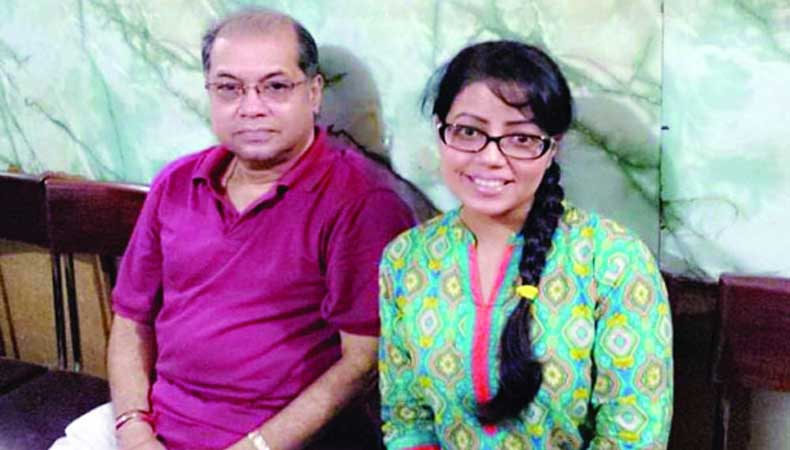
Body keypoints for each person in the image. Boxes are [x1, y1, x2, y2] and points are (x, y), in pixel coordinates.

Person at [50, 7, 415, 450]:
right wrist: (134, 430)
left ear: (314, 93)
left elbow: (361, 364)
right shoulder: (177, 183)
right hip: (150, 425)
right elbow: (131, 318)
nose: (251, 108)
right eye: (229, 88)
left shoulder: (361, 202)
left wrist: (254, 447)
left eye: (275, 86)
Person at [378, 41, 673, 449]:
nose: (491, 157)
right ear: (441, 131)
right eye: (468, 132)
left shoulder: (613, 260)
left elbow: (633, 435)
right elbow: (406, 418)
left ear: (553, 147)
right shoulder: (406, 259)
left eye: (520, 138)